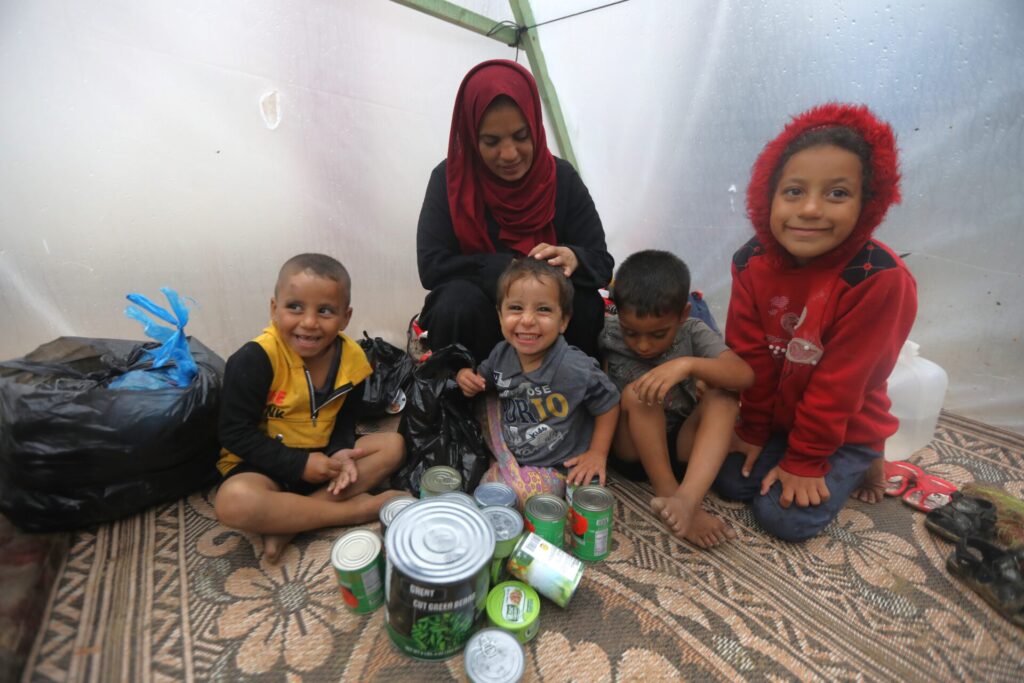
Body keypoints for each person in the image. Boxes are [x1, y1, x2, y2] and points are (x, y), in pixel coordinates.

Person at [716, 103, 917, 542]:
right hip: (777, 419)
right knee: (730, 481)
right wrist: (750, 431)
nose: (809, 209)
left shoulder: (878, 279)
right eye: (793, 191)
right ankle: (789, 450)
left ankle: (865, 454)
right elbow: (751, 356)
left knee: (784, 519)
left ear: (868, 203)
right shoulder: (751, 261)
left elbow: (840, 387)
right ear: (765, 196)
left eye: (837, 193)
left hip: (844, 426)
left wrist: (804, 462)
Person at [416, 59, 613, 362]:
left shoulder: (561, 179)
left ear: (535, 125)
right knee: (454, 303)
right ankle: (469, 396)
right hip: (481, 316)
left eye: (521, 137)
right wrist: (504, 269)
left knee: (584, 305)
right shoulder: (449, 181)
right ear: (470, 136)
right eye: (491, 141)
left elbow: (601, 262)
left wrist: (574, 257)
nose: (509, 154)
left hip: (547, 322)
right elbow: (432, 267)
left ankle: (569, 396)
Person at [214, 253, 406, 562]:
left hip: (322, 460)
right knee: (233, 502)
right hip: (263, 466)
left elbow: (345, 422)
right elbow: (233, 433)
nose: (309, 322)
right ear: (274, 309)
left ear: (346, 317)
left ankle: (290, 522)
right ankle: (351, 511)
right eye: (294, 307)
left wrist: (339, 453)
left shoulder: (354, 359)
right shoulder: (254, 358)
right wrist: (298, 465)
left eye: (326, 311)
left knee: (393, 445)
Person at [600, 250, 754, 548]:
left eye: (658, 334)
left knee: (723, 395)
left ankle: (687, 500)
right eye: (632, 333)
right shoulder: (606, 331)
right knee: (637, 392)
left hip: (684, 448)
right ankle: (669, 493)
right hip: (631, 449)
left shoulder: (693, 331)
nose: (643, 346)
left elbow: (744, 376)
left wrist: (687, 365)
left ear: (683, 314)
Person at [456, 258, 620, 504]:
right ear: (500, 316)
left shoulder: (574, 367)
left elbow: (609, 403)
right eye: (516, 308)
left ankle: (506, 471)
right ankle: (505, 463)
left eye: (543, 309)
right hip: (511, 438)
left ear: (563, 320)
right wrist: (466, 378)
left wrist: (597, 454)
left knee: (520, 497)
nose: (528, 320)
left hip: (554, 465)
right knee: (480, 406)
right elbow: (483, 380)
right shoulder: (501, 353)